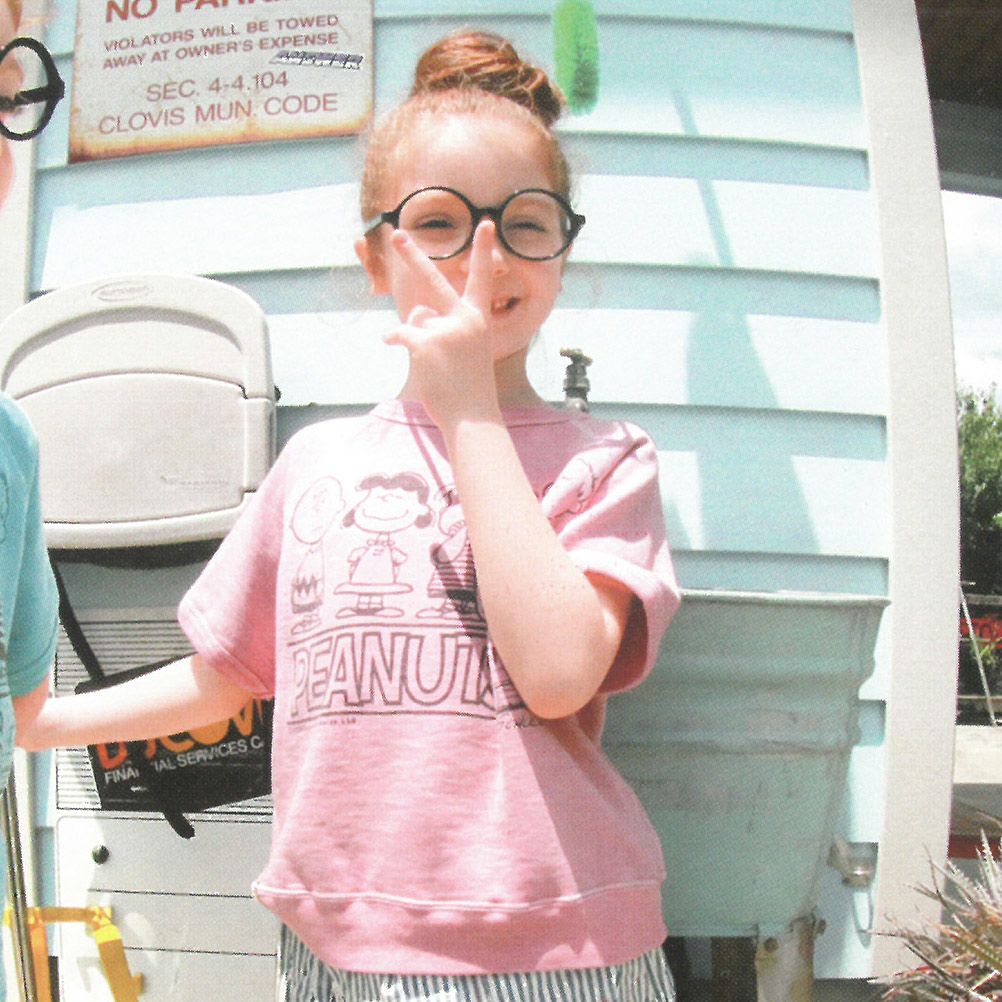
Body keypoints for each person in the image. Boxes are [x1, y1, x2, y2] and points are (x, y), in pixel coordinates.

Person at [17, 30, 682, 1002]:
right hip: (334, 949)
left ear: (563, 251)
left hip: (541, 948)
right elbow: (230, 674)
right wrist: (40, 722)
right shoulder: (316, 465)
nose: (485, 253)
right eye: (440, 221)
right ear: (375, 258)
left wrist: (467, 410)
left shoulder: (606, 460)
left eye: (525, 222)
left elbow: (556, 675)